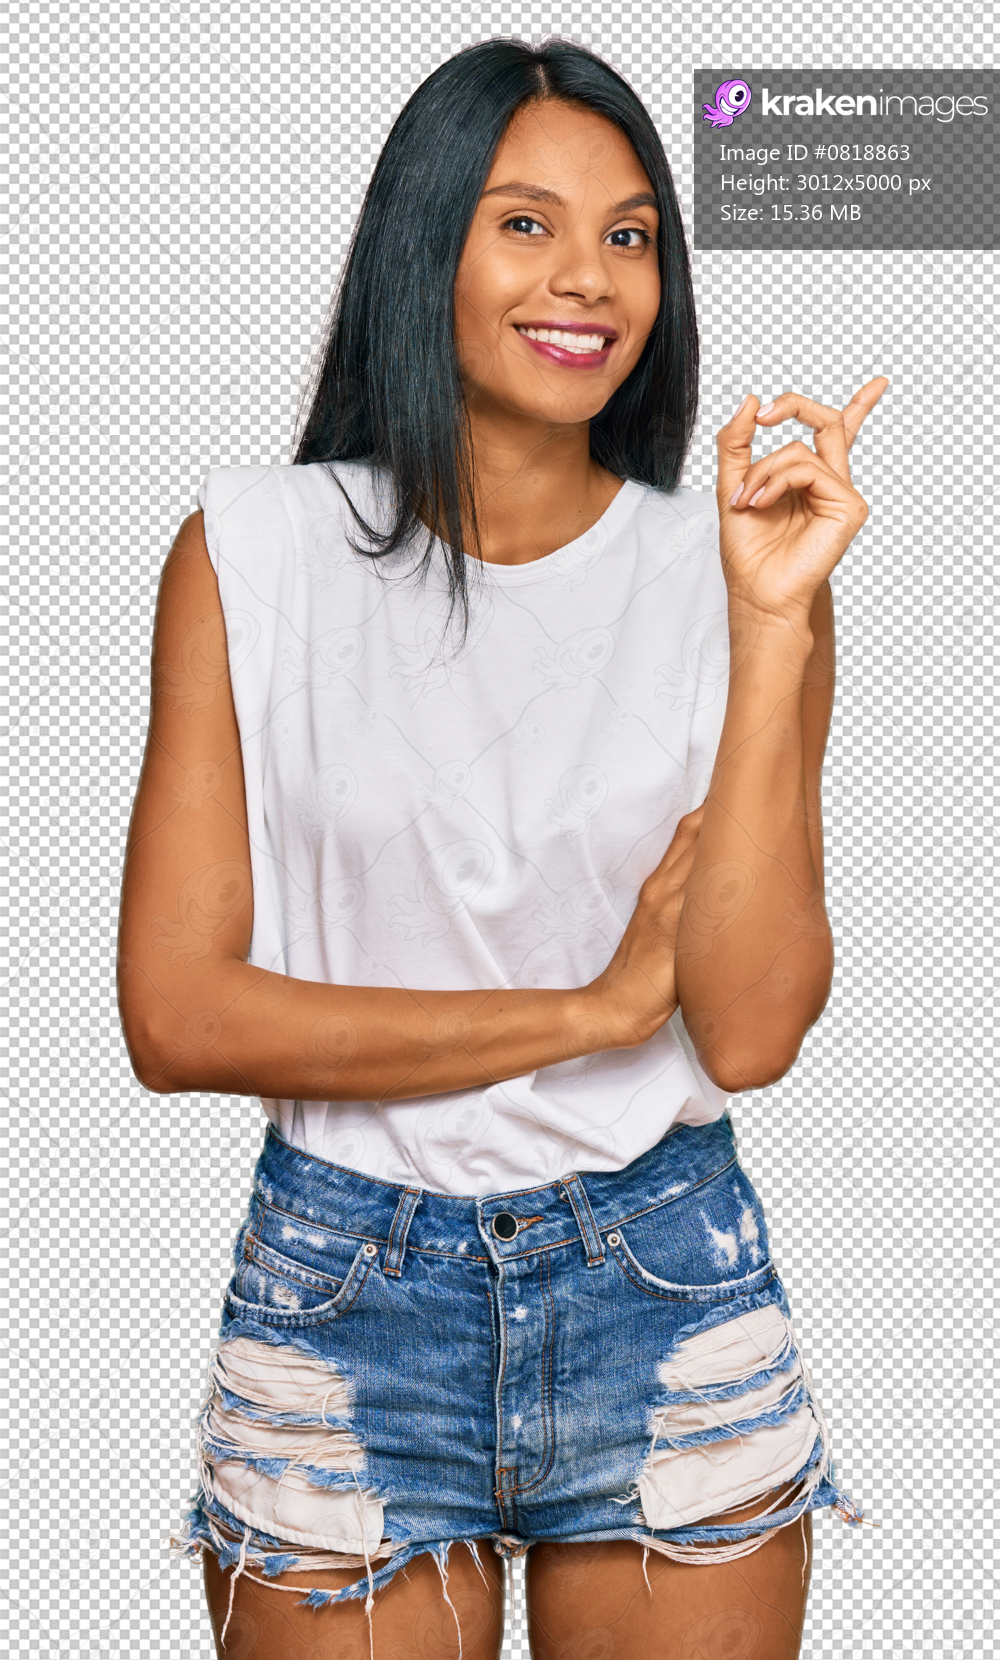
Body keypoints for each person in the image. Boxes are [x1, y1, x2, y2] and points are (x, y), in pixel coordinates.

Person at [117, 36, 885, 1660]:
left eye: (630, 236)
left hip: (661, 1277)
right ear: (426, 246)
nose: (590, 280)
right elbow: (177, 1015)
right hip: (348, 1294)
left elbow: (748, 1027)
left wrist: (768, 625)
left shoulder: (737, 566)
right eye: (526, 224)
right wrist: (586, 1015)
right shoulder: (253, 552)